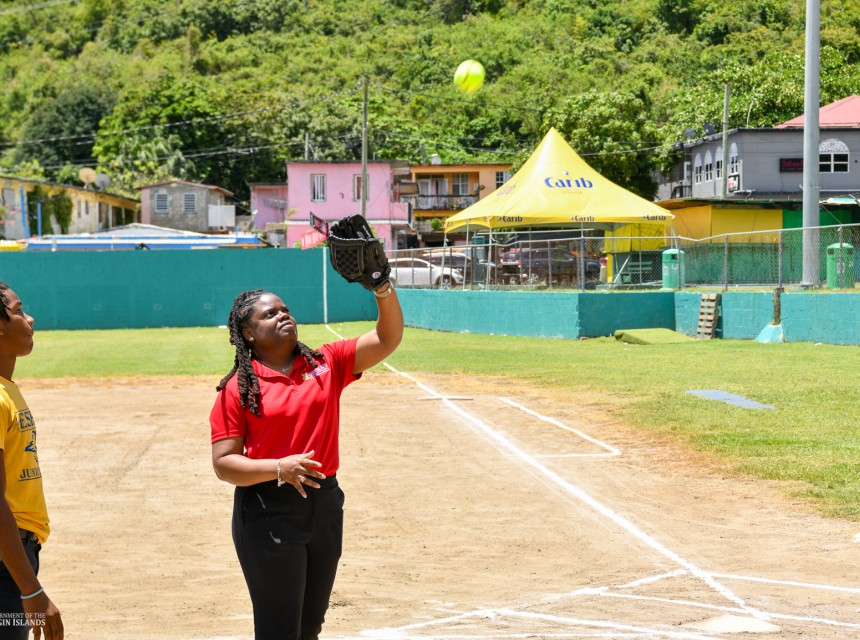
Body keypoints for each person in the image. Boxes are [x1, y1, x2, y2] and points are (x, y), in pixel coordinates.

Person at [210, 278, 402, 640]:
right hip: (269, 510)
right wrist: (279, 467)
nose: (284, 315)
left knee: (310, 626)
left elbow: (386, 338)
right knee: (279, 630)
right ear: (248, 333)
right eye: (270, 314)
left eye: (285, 310)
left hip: (324, 504)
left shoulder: (327, 362)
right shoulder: (238, 388)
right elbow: (224, 463)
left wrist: (382, 289)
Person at [0, 281, 63, 640]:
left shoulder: (8, 390)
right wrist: (31, 590)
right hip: (6, 558)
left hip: (15, 552)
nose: (30, 319)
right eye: (18, 311)